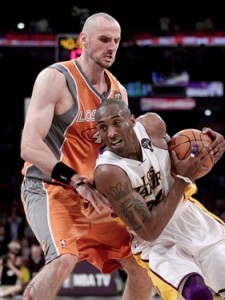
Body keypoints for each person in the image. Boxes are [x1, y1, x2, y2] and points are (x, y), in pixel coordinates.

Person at [20, 12, 153, 300]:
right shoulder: (55, 78)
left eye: (116, 41)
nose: (111, 47)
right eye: (104, 39)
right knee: (63, 259)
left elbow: (122, 157)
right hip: (50, 188)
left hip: (93, 195)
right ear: (84, 39)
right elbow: (29, 145)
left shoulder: (118, 94)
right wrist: (75, 179)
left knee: (145, 263)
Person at [94, 99, 225, 300]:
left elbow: (184, 162)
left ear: (132, 121)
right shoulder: (108, 171)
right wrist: (184, 179)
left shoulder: (153, 126)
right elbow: (149, 231)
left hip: (189, 219)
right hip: (158, 242)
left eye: (117, 123)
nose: (110, 133)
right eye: (103, 128)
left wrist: (209, 147)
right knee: (197, 293)